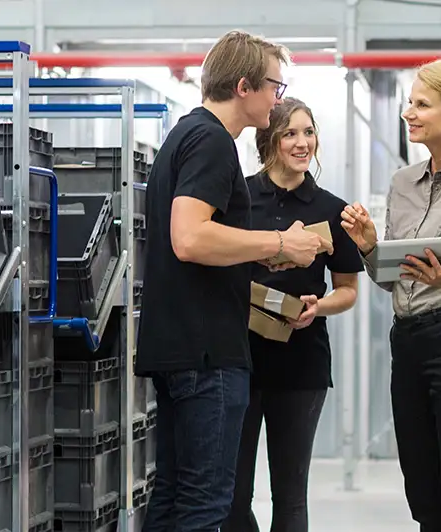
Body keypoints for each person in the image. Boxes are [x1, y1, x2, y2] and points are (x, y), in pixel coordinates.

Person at [135, 31, 333, 532]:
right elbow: (190, 238)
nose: (278, 99)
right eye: (275, 87)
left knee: (175, 497)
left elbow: (199, 244)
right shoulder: (213, 142)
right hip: (206, 355)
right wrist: (279, 244)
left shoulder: (187, 134)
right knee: (207, 505)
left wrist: (263, 258)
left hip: (178, 345)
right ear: (244, 86)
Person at [340, 59, 441, 532]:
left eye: (420, 104)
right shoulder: (401, 184)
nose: (408, 113)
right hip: (408, 343)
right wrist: (371, 246)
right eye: (408, 103)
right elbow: (392, 278)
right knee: (423, 494)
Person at [221, 98, 364, 532]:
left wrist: (318, 307)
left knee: (290, 497)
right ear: (270, 140)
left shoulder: (331, 210)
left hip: (301, 364)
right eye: (290, 134)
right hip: (238, 360)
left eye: (308, 132)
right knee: (231, 495)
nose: (303, 143)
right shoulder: (238, 198)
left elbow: (348, 291)